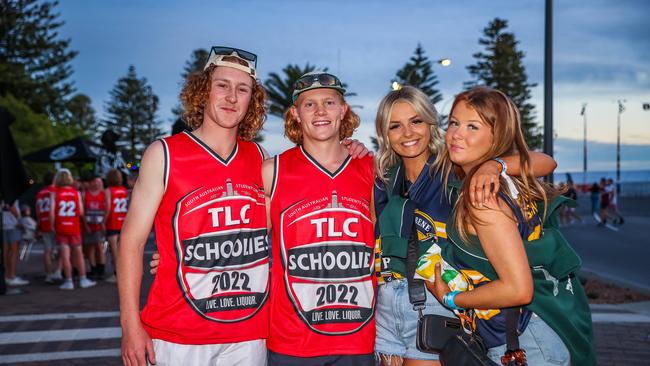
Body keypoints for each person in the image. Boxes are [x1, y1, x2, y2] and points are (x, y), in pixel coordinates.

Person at [372, 86, 557, 366]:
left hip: (433, 303)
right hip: (388, 307)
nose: (407, 133)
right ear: (384, 133)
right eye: (395, 126)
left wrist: (494, 165)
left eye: (416, 121)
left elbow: (545, 161)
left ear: (431, 123)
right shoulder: (382, 181)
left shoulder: (451, 167)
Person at [118, 46, 272, 366]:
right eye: (222, 85)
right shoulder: (164, 154)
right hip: (178, 333)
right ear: (203, 91)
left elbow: (282, 229)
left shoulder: (260, 160)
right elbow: (130, 243)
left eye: (242, 89)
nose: (232, 96)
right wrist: (130, 325)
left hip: (247, 331)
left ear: (251, 101)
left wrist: (348, 149)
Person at [427, 86, 595, 365]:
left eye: (472, 126)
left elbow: (518, 290)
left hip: (526, 343)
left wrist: (453, 299)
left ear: (497, 135)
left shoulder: (483, 199)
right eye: (454, 123)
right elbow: (546, 161)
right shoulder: (505, 181)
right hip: (545, 329)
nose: (457, 133)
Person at [262, 71, 376, 366]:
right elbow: (244, 239)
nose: (321, 111)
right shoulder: (272, 171)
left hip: (357, 336)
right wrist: (176, 254)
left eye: (329, 102)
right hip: (292, 340)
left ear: (343, 110)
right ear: (295, 114)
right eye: (309, 104)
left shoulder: (371, 169)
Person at [50, 168, 96, 290]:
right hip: (74, 226)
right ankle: (83, 278)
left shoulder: (55, 193)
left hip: (61, 226)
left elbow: (51, 213)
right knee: (79, 253)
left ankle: (68, 281)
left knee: (65, 255)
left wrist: (51, 225)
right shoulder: (76, 193)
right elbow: (81, 212)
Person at [35, 172, 62, 283]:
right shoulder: (56, 191)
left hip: (44, 223)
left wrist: (38, 226)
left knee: (47, 250)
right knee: (62, 248)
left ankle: (49, 274)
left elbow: (37, 211)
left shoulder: (40, 193)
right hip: (57, 223)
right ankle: (58, 271)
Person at [105, 169, 128, 283]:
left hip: (113, 222)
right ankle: (126, 273)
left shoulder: (109, 191)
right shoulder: (124, 190)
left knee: (114, 251)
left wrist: (103, 221)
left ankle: (117, 274)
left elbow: (108, 207)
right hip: (123, 221)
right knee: (123, 250)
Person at [84, 176, 107, 280]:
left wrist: (104, 223)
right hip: (89, 225)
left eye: (99, 182)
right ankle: (93, 269)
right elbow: (82, 211)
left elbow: (107, 209)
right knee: (90, 248)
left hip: (99, 225)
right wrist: (85, 225)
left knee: (99, 247)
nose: (97, 184)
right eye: (95, 182)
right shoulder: (85, 194)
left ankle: (100, 269)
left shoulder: (104, 194)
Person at [3, 200, 28, 286]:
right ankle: (12, 276)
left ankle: (6, 276)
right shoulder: (10, 195)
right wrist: (19, 220)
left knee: (6, 252)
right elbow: (11, 207)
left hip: (4, 225)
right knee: (14, 251)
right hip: (13, 224)